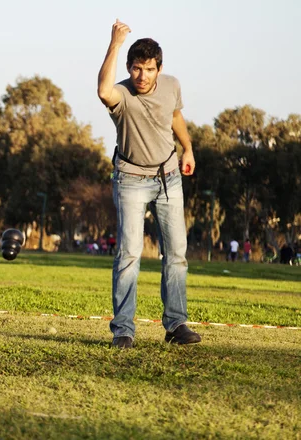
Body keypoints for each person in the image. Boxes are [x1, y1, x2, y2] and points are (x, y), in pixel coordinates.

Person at [97, 19, 200, 349]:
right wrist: (114, 43)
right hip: (130, 179)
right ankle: (123, 330)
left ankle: (176, 325)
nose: (143, 76)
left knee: (177, 254)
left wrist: (188, 148)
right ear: (129, 68)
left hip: (169, 176)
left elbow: (174, 117)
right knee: (129, 254)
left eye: (149, 69)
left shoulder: (171, 85)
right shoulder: (122, 95)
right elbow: (102, 90)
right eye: (137, 68)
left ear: (160, 68)